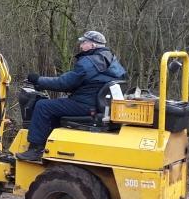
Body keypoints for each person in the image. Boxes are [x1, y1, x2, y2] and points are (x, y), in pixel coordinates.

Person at [17, 30, 127, 162]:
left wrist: (38, 80)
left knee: (43, 106)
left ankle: (35, 149)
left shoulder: (88, 62)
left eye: (84, 42)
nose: (81, 45)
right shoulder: (113, 62)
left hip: (85, 105)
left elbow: (64, 83)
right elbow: (88, 83)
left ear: (93, 45)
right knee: (58, 104)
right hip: (100, 106)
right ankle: (51, 142)